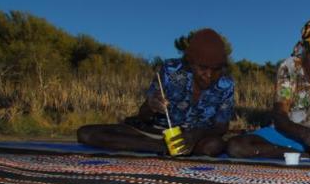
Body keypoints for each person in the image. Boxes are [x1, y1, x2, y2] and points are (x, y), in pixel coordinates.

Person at [77, 28, 234, 156]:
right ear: (191, 64)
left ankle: (168, 148)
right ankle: (161, 148)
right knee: (86, 133)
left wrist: (195, 135)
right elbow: (143, 115)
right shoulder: (170, 71)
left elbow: (221, 127)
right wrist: (152, 106)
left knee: (213, 146)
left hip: (195, 138)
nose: (210, 75)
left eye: (216, 69)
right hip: (156, 133)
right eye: (203, 68)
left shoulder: (226, 85)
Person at [227, 20, 310, 159]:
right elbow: (280, 116)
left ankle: (308, 154)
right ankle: (303, 155)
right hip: (287, 134)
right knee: (237, 146)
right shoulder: (288, 68)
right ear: (304, 48)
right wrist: (306, 134)